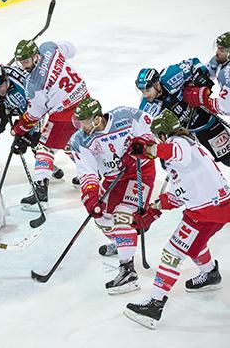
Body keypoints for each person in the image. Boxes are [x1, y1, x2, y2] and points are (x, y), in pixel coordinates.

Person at [124, 108, 230, 329]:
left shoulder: (180, 143)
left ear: (163, 135)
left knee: (173, 251)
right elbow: (180, 193)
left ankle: (154, 304)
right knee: (195, 244)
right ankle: (210, 273)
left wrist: (148, 149)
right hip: (215, 207)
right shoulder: (185, 152)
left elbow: (175, 152)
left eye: (156, 137)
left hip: (205, 211)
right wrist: (154, 210)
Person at [70, 98, 156, 294]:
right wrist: (90, 194)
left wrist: (139, 151)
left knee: (122, 216)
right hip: (112, 178)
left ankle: (128, 272)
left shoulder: (126, 116)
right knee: (101, 216)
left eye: (84, 122)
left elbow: (151, 137)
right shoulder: (79, 140)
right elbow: (87, 172)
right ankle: (122, 241)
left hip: (139, 172)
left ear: (97, 118)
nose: (81, 126)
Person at [12, 39, 90, 210]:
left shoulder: (34, 84)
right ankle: (91, 176)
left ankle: (40, 195)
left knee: (44, 148)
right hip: (86, 103)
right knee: (72, 144)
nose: (23, 66)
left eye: (25, 62)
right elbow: (72, 48)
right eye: (21, 62)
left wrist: (19, 128)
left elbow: (34, 114)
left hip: (66, 113)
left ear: (34, 56)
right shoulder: (49, 49)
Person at [0, 64, 65, 178]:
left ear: (6, 79)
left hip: (30, 109)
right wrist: (0, 99)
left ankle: (45, 163)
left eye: (1, 86)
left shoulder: (24, 89)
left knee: (35, 141)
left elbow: (35, 113)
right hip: (5, 102)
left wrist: (26, 134)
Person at [136, 61, 230, 166]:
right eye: (142, 91)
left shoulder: (171, 75)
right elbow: (147, 132)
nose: (145, 95)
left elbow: (194, 63)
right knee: (192, 170)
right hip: (183, 139)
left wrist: (200, 81)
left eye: (147, 90)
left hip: (203, 120)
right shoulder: (146, 108)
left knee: (228, 158)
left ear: (157, 85)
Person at [183, 31, 230, 117]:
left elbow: (226, 107)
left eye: (221, 50)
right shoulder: (218, 60)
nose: (217, 52)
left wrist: (204, 100)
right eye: (218, 48)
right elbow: (204, 75)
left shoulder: (228, 76)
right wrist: (192, 85)